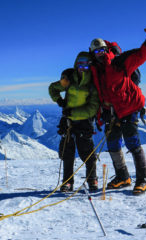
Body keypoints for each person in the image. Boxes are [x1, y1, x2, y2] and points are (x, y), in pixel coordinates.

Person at [88, 26, 146, 195]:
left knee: (132, 143)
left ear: (107, 49)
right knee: (112, 144)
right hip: (111, 111)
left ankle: (143, 180)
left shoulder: (118, 62)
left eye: (102, 50)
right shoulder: (95, 71)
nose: (99, 53)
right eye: (96, 51)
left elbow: (140, 56)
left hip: (129, 107)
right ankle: (123, 177)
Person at [48, 51, 100, 192]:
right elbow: (53, 88)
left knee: (87, 153)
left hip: (83, 121)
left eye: (86, 65)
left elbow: (93, 108)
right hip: (69, 122)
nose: (83, 68)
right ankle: (68, 182)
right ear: (76, 65)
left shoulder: (92, 83)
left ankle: (92, 180)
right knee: (67, 152)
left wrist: (72, 112)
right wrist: (59, 100)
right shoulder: (69, 79)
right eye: (80, 64)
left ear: (90, 66)